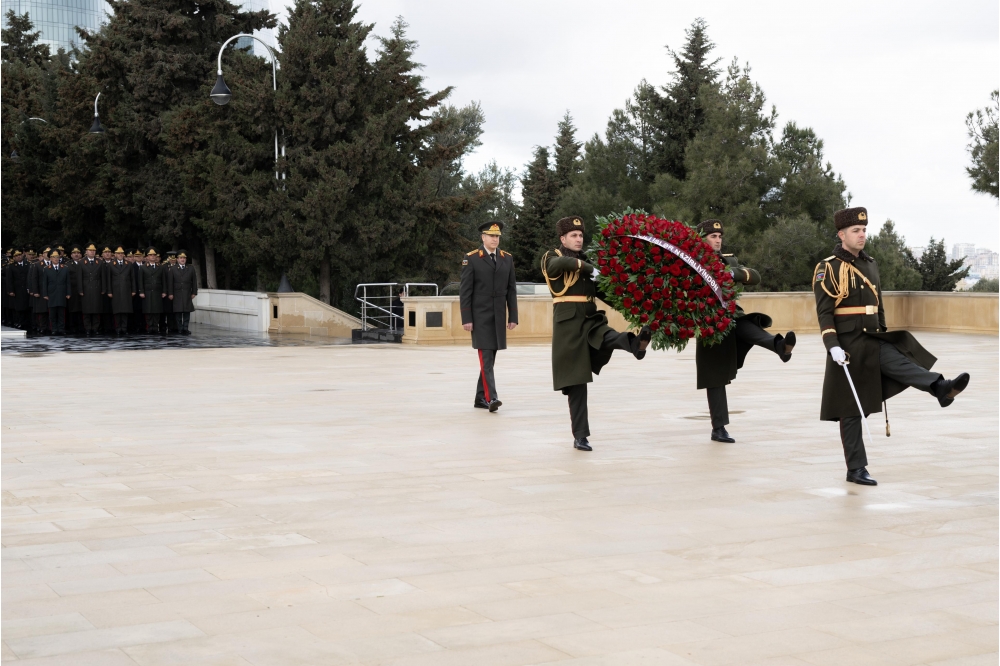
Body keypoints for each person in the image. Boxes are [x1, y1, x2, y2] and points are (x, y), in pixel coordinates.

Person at [814, 207, 971, 486]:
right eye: (855, 230)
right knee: (851, 408)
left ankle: (940, 387)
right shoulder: (828, 268)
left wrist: (882, 330)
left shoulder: (870, 264)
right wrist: (832, 345)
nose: (862, 234)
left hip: (872, 338)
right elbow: (825, 313)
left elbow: (879, 304)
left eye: (864, 230)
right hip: (847, 345)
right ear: (841, 235)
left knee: (902, 361)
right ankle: (856, 469)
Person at [543, 216, 651, 451]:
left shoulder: (586, 262)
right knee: (577, 383)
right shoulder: (553, 257)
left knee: (607, 336)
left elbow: (607, 294)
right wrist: (588, 268)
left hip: (590, 318)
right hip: (568, 326)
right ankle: (580, 436)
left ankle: (636, 345)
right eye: (573, 235)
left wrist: (636, 309)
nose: (578, 239)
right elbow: (556, 266)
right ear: (563, 238)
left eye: (581, 235)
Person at [694, 219, 797, 443]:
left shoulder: (728, 261)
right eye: (713, 236)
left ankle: (780, 346)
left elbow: (755, 276)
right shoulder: (691, 262)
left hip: (731, 313)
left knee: (749, 326)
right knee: (714, 376)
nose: (718, 240)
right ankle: (718, 428)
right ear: (702, 239)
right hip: (708, 321)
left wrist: (733, 273)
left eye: (720, 236)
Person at [460, 221, 519, 411]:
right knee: (485, 357)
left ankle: (480, 398)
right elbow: (465, 291)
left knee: (490, 358)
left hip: (498, 315)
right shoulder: (472, 258)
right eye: (491, 236)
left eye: (497, 236)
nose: (495, 239)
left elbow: (511, 289)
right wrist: (467, 318)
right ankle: (491, 398)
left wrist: (513, 316)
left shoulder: (506, 258)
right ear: (483, 237)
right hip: (480, 316)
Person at [41, 249, 72, 334]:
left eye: (57, 257)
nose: (56, 259)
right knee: (52, 314)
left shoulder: (65, 268)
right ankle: (54, 329)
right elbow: (45, 283)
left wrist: (68, 293)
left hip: (62, 293)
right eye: (54, 257)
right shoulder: (47, 269)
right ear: (50, 258)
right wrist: (45, 294)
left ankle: (61, 329)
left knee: (61, 313)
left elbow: (68, 282)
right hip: (52, 294)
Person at [106, 246, 136, 335]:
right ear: (115, 254)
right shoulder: (111, 264)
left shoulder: (128, 264)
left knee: (125, 310)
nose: (120, 255)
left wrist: (133, 290)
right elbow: (109, 279)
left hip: (126, 289)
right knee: (117, 310)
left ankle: (124, 327)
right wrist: (109, 291)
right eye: (118, 253)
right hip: (115, 290)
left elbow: (132, 278)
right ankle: (118, 328)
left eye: (121, 253)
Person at [167, 250, 197, 335]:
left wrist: (194, 292)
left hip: (187, 293)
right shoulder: (173, 269)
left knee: (187, 312)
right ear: (177, 259)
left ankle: (185, 328)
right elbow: (170, 282)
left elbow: (194, 281)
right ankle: (180, 328)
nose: (182, 259)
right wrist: (170, 293)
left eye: (184, 258)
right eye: (181, 258)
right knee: (178, 312)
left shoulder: (190, 268)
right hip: (177, 293)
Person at [138, 248, 167, 334]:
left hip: (157, 291)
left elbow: (163, 280)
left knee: (157, 310)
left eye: (154, 255)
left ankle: (155, 327)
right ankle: (150, 327)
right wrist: (141, 291)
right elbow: (140, 281)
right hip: (147, 292)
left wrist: (164, 291)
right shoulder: (143, 267)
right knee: (148, 310)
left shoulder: (160, 267)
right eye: (150, 255)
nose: (153, 257)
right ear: (147, 257)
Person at [80, 244, 105, 336]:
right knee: (86, 310)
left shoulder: (100, 262)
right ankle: (87, 328)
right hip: (86, 288)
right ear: (86, 252)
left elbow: (103, 277)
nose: (92, 252)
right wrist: (80, 290)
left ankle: (95, 328)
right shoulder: (81, 262)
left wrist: (103, 289)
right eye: (90, 250)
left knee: (96, 310)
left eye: (93, 251)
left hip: (96, 287)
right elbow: (79, 277)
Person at [6, 249, 31, 330]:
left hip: (26, 288)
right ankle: (19, 322)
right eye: (16, 256)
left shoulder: (28, 264)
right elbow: (9, 279)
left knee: (27, 306)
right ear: (13, 257)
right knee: (18, 307)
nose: (18, 257)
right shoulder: (11, 266)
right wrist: (10, 290)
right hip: (17, 289)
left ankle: (27, 323)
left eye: (19, 255)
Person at [28, 247, 51, 334]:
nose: (47, 254)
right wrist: (35, 291)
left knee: (51, 310)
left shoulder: (55, 263)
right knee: (42, 310)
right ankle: (42, 327)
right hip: (41, 290)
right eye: (46, 253)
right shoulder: (37, 265)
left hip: (51, 290)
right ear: (43, 254)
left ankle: (50, 327)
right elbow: (34, 279)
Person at [66, 246, 84, 334]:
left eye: (78, 253)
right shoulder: (68, 265)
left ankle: (81, 327)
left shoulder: (84, 263)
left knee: (82, 309)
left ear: (81, 255)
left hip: (83, 290)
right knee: (72, 309)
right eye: (74, 253)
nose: (76, 255)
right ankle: (72, 327)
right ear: (71, 255)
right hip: (72, 290)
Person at [100, 246, 114, 334]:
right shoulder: (100, 263)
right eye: (105, 252)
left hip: (114, 289)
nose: (107, 254)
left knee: (113, 309)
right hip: (103, 290)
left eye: (109, 252)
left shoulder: (114, 263)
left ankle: (113, 326)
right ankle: (105, 327)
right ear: (102, 254)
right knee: (104, 309)